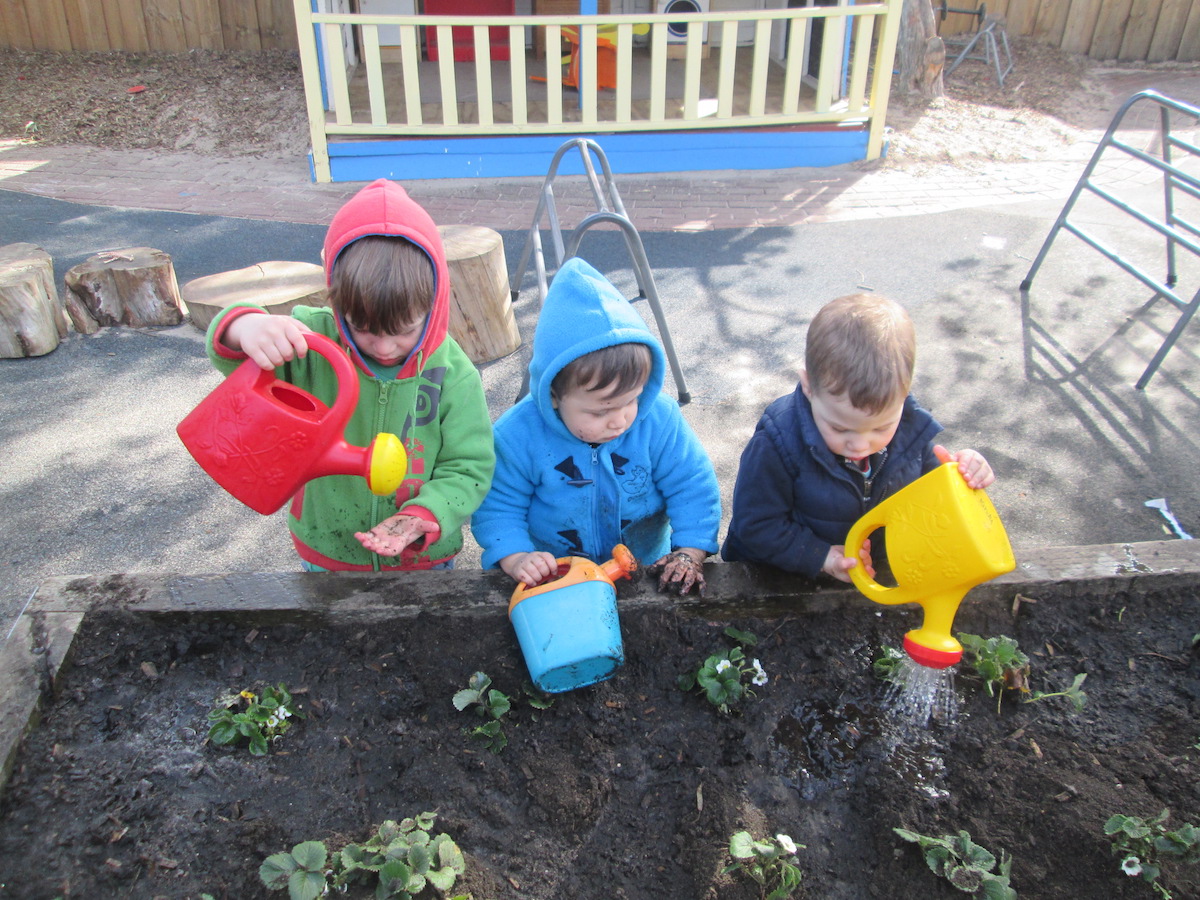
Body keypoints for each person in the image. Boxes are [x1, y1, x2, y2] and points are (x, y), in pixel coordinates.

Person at [204, 178, 494, 571]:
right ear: (339, 304)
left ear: (435, 303)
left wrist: (426, 513)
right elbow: (239, 366)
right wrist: (245, 327)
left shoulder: (453, 373)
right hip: (328, 547)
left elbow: (469, 465)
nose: (384, 347)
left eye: (405, 330)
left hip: (421, 555)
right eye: (362, 328)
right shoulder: (313, 345)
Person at [473, 257, 720, 595]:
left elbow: (692, 484)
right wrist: (517, 557)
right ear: (554, 395)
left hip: (646, 569)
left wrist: (689, 551)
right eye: (600, 411)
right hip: (557, 576)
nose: (620, 420)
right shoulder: (518, 435)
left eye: (632, 400)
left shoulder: (659, 419)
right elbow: (499, 504)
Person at [722, 292, 994, 582]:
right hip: (779, 577)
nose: (861, 445)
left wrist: (961, 474)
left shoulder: (910, 428)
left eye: (880, 428)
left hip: (873, 570)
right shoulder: (778, 442)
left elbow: (933, 498)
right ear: (809, 387)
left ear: (904, 394)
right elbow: (755, 526)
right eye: (840, 429)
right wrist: (821, 557)